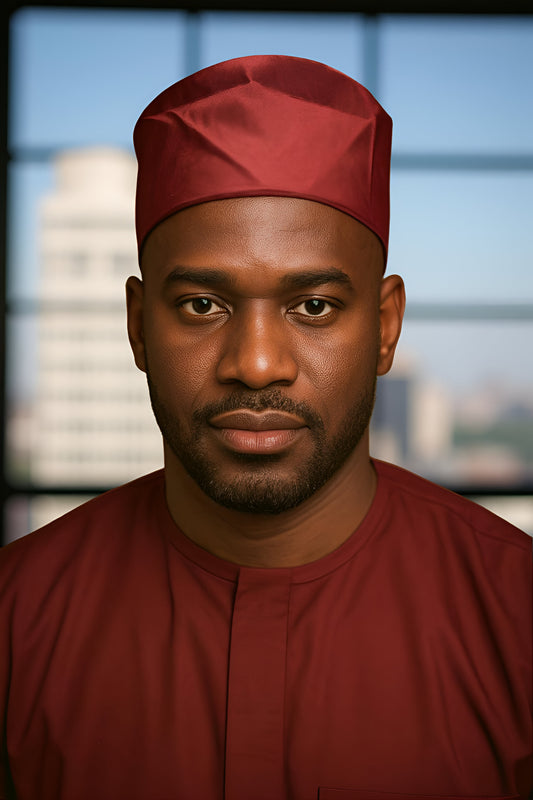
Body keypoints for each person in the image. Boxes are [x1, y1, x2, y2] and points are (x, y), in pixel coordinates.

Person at [0, 54, 531, 800]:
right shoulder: (15, 619)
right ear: (137, 327)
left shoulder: (517, 618)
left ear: (384, 329)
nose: (255, 365)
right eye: (200, 306)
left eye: (311, 306)